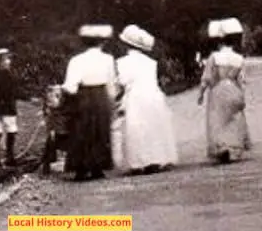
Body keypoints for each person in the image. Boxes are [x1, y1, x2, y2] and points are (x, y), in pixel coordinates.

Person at [116, 25, 178, 174]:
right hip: (153, 95)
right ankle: (155, 159)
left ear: (126, 45)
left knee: (136, 128)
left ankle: (138, 162)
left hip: (136, 96)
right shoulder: (151, 62)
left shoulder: (123, 62)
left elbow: (123, 81)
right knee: (152, 126)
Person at [60, 24, 118, 181]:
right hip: (100, 96)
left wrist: (67, 92)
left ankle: (81, 168)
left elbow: (71, 85)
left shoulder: (77, 60)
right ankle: (97, 167)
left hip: (83, 96)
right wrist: (112, 99)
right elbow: (111, 83)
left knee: (81, 131)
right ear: (102, 42)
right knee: (100, 129)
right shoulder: (108, 59)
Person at [197, 18, 251, 164]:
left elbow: (207, 77)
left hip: (218, 90)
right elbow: (241, 80)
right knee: (234, 119)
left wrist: (201, 93)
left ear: (219, 42)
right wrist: (242, 96)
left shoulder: (214, 57)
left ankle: (222, 147)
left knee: (218, 120)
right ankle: (233, 147)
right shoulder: (239, 59)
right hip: (234, 88)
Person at [0, 49, 19, 167]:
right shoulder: (8, 74)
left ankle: (8, 157)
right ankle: (9, 158)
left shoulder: (10, 73)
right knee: (10, 130)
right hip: (7, 107)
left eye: (8, 59)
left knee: (0, 131)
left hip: (4, 106)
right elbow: (10, 92)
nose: (8, 61)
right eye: (6, 59)